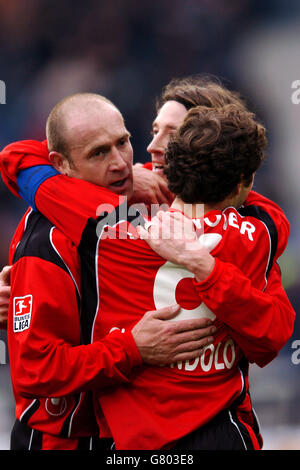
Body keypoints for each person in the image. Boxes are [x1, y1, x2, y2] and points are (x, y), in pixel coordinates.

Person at [0, 94, 294, 449]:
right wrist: (130, 348)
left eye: (172, 135)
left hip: (157, 433)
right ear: (60, 163)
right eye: (151, 132)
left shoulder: (113, 222)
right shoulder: (258, 228)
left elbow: (17, 159)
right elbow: (36, 368)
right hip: (64, 437)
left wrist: (204, 266)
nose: (142, 153)